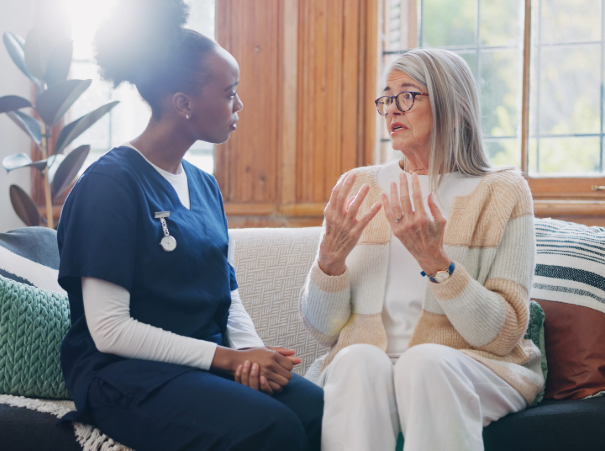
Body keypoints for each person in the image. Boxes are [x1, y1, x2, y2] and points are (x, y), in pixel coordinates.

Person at [57, 1, 323, 450]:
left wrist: (253, 357)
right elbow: (110, 330)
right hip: (125, 376)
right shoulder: (108, 186)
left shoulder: (204, 186)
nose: (240, 104)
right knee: (273, 429)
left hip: (205, 366)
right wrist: (227, 359)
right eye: (228, 93)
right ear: (183, 104)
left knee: (320, 412)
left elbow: (228, 296)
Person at [301, 48, 543, 451]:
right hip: (370, 368)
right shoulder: (358, 186)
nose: (392, 109)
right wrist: (329, 262)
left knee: (424, 361)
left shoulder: (501, 190)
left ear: (453, 106)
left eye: (408, 95)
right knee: (358, 358)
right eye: (387, 98)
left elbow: (503, 335)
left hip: (478, 366)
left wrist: (437, 262)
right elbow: (322, 329)